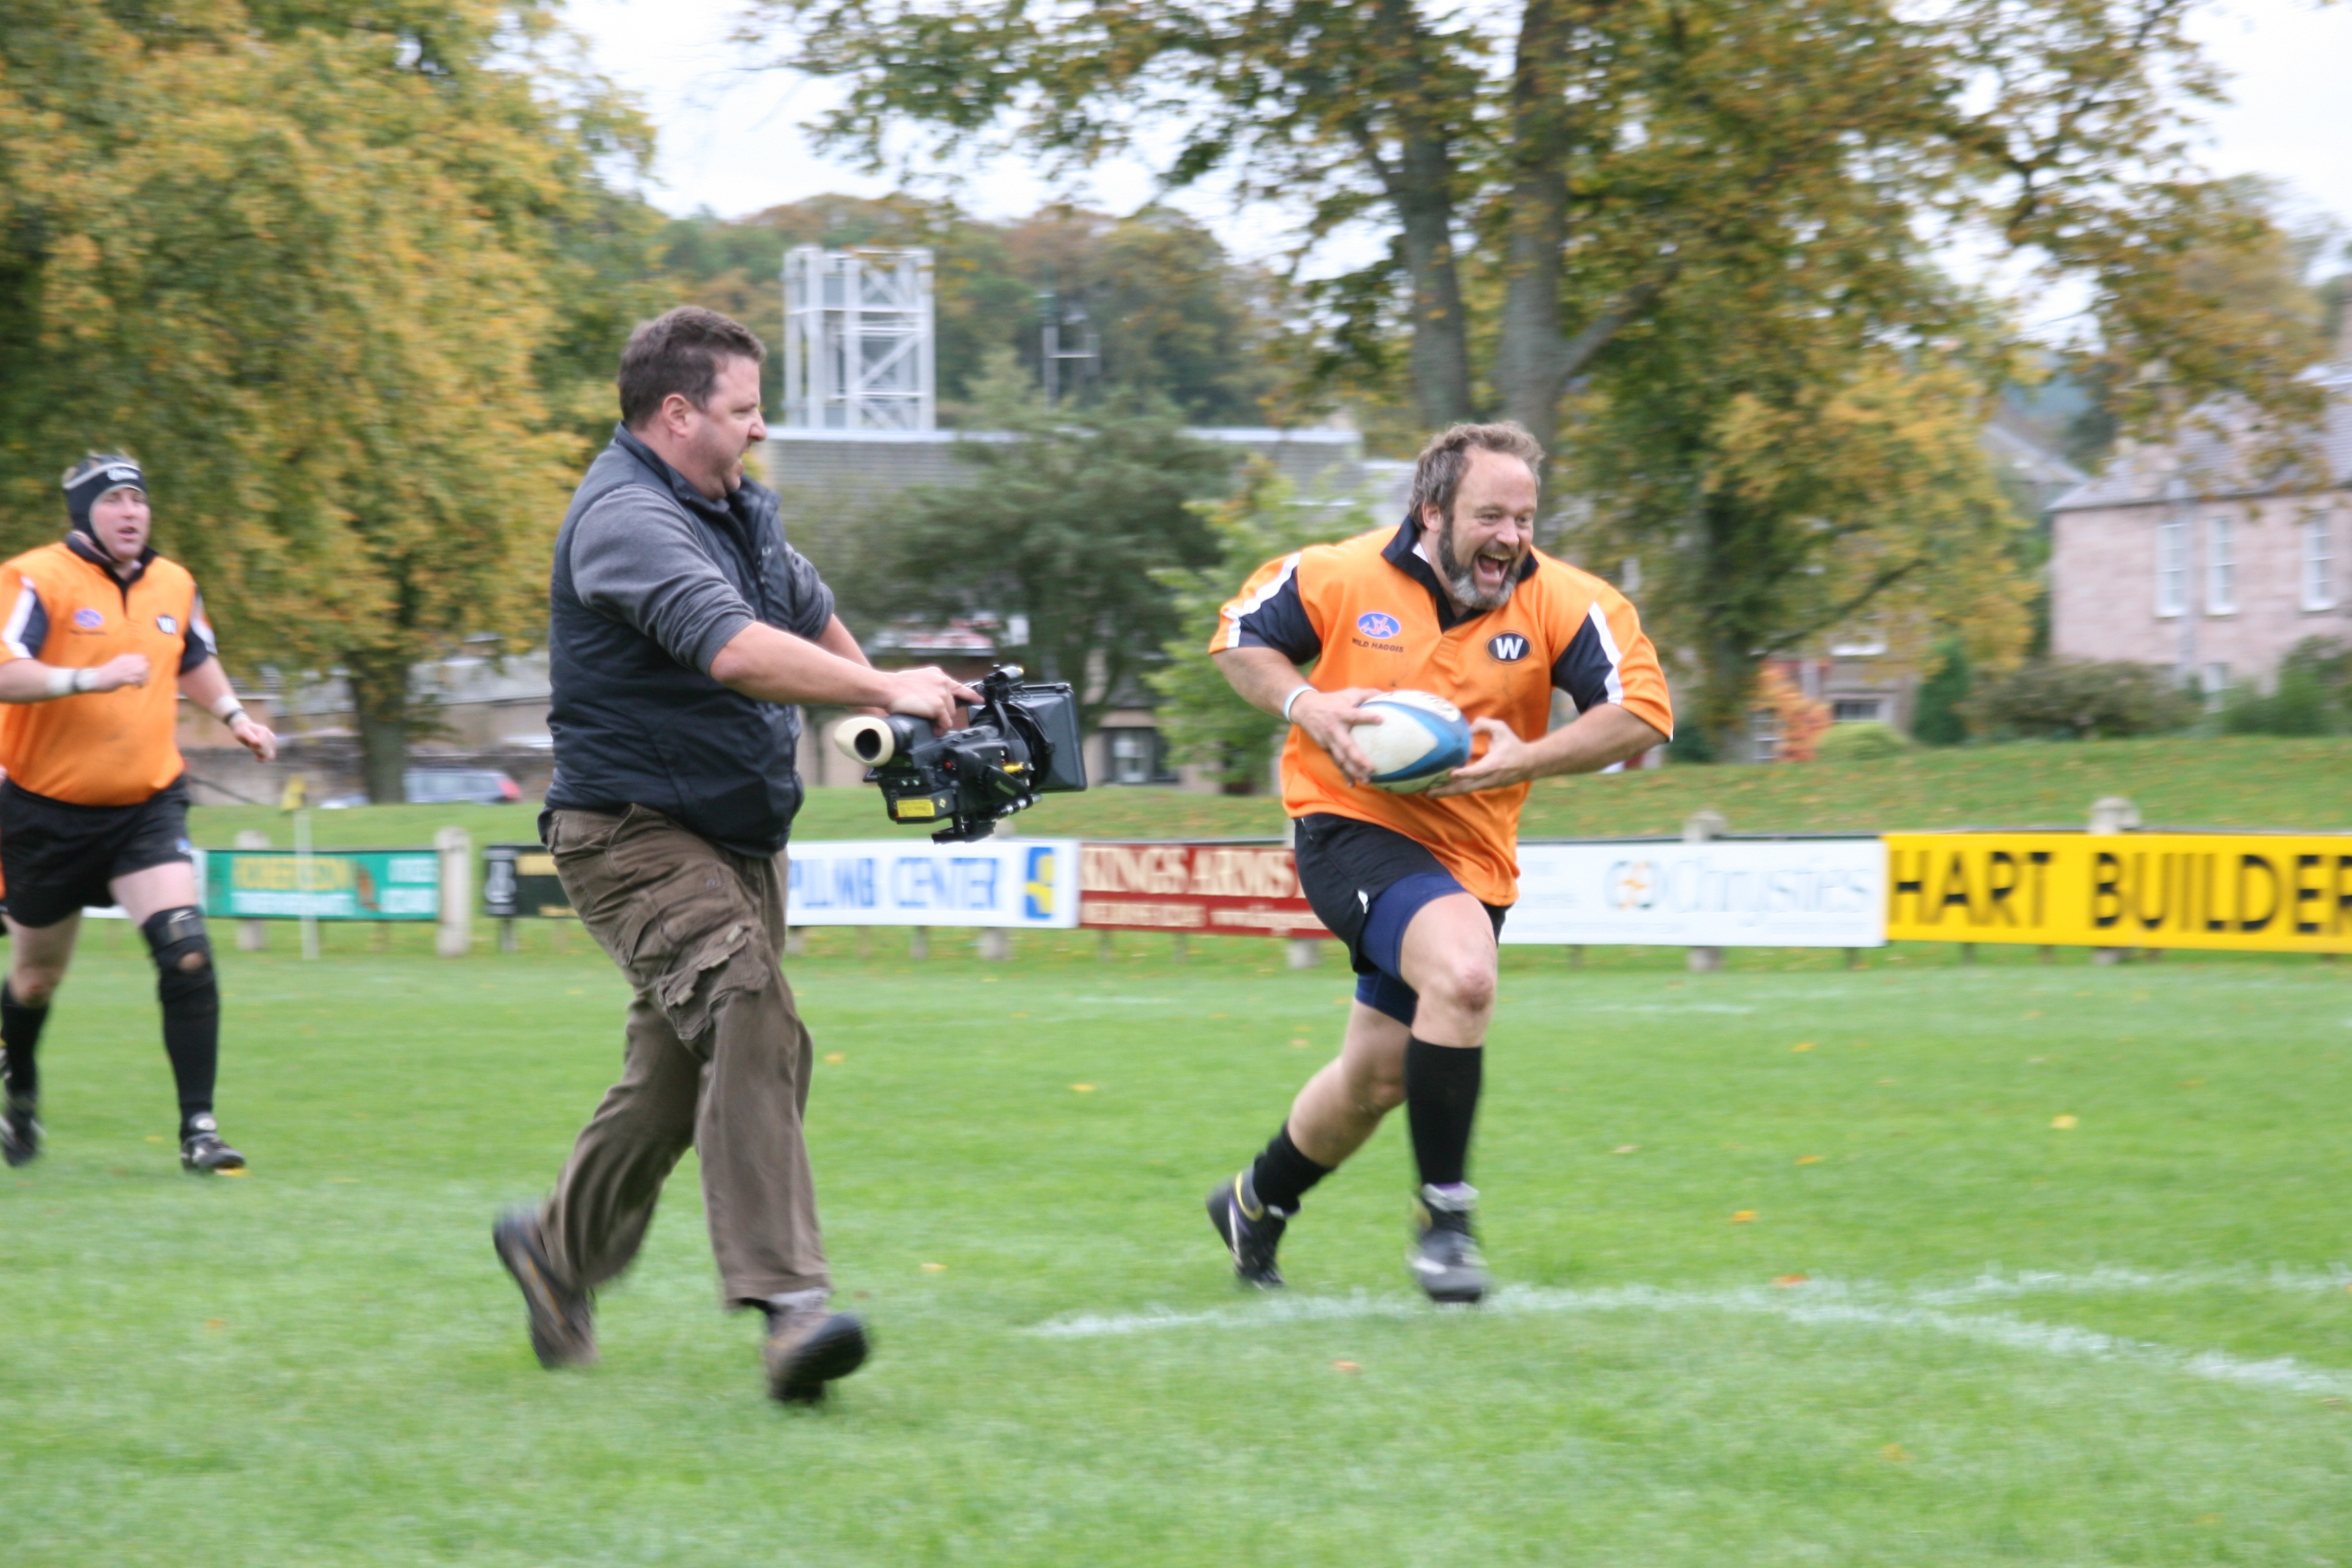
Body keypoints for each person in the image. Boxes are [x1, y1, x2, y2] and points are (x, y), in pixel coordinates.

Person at [492, 307, 977, 1404]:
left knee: (673, 1080)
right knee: (752, 1009)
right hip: (631, 833)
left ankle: (554, 1251)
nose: (760, 430)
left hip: (739, 836)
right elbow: (736, 649)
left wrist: (915, 713)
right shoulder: (625, 520)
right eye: (743, 410)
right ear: (676, 413)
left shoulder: (738, 510)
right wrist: (884, 688)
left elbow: (809, 615)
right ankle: (788, 1309)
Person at [1204, 422, 1673, 1303]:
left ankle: (1254, 1200)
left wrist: (1521, 759)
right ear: (1431, 512)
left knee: (1379, 1076)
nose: (1512, 537)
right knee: (1465, 977)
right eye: (1491, 514)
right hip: (1350, 826)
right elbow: (1237, 637)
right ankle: (1446, 1222)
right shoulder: (1343, 574)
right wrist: (1307, 703)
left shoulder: (1567, 602)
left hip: (1475, 858)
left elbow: (1642, 713)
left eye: (1526, 518)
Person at [0, 454, 279, 1173]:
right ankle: (21, 1090)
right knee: (35, 979)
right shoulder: (36, 576)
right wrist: (88, 677)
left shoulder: (175, 582)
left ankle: (200, 1131)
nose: (132, 512)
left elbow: (192, 656)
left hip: (144, 806)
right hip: (42, 812)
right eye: (115, 501)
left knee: (186, 950)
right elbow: (5, 671)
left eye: (139, 500)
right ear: (84, 513)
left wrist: (235, 714)